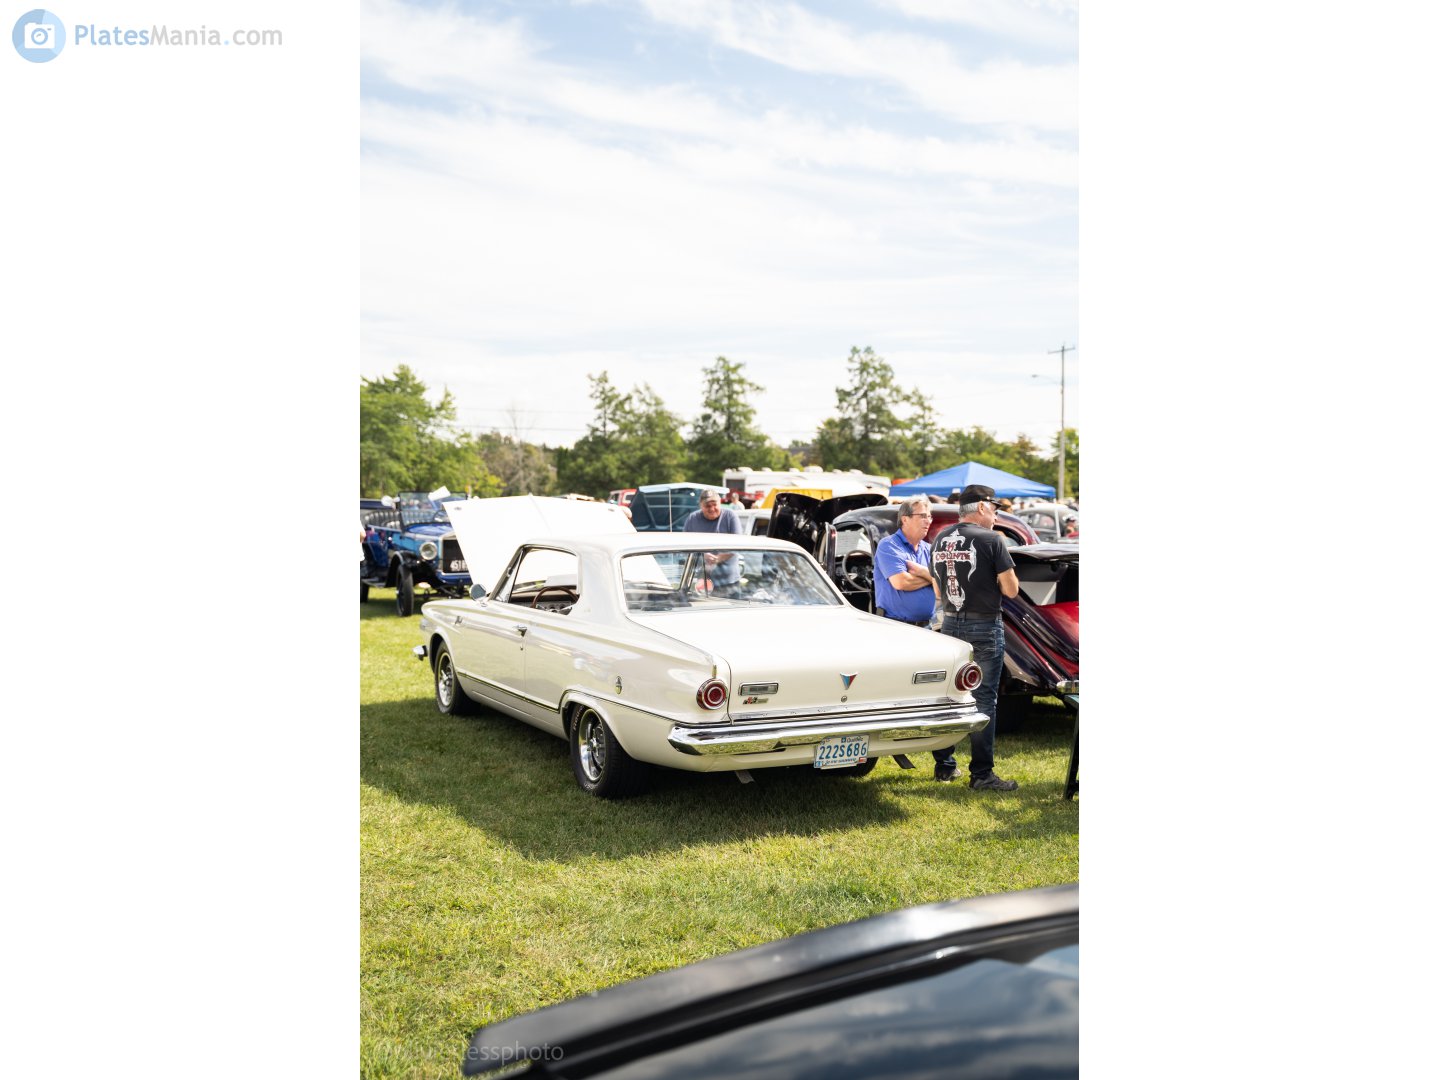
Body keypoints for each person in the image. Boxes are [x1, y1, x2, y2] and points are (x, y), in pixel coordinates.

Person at [928, 483, 1021, 791]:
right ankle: (982, 774)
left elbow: (939, 590)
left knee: (950, 695)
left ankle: (944, 765)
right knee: (983, 700)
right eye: (994, 509)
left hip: (951, 623)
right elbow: (1011, 590)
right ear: (982, 507)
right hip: (984, 625)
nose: (995, 516)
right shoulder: (993, 539)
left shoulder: (940, 539)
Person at [873, 497, 936, 627]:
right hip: (896, 626)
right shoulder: (889, 545)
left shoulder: (929, 549)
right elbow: (901, 582)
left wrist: (922, 572)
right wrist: (932, 577)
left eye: (929, 517)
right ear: (905, 519)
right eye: (923, 516)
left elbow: (943, 585)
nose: (928, 521)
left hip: (927, 627)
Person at [683, 488, 744, 594]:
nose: (712, 508)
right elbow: (684, 545)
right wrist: (703, 555)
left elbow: (738, 544)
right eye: (707, 506)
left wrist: (719, 558)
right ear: (701, 506)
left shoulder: (730, 516)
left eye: (714, 504)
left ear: (720, 502)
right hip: (703, 582)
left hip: (729, 581)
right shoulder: (693, 519)